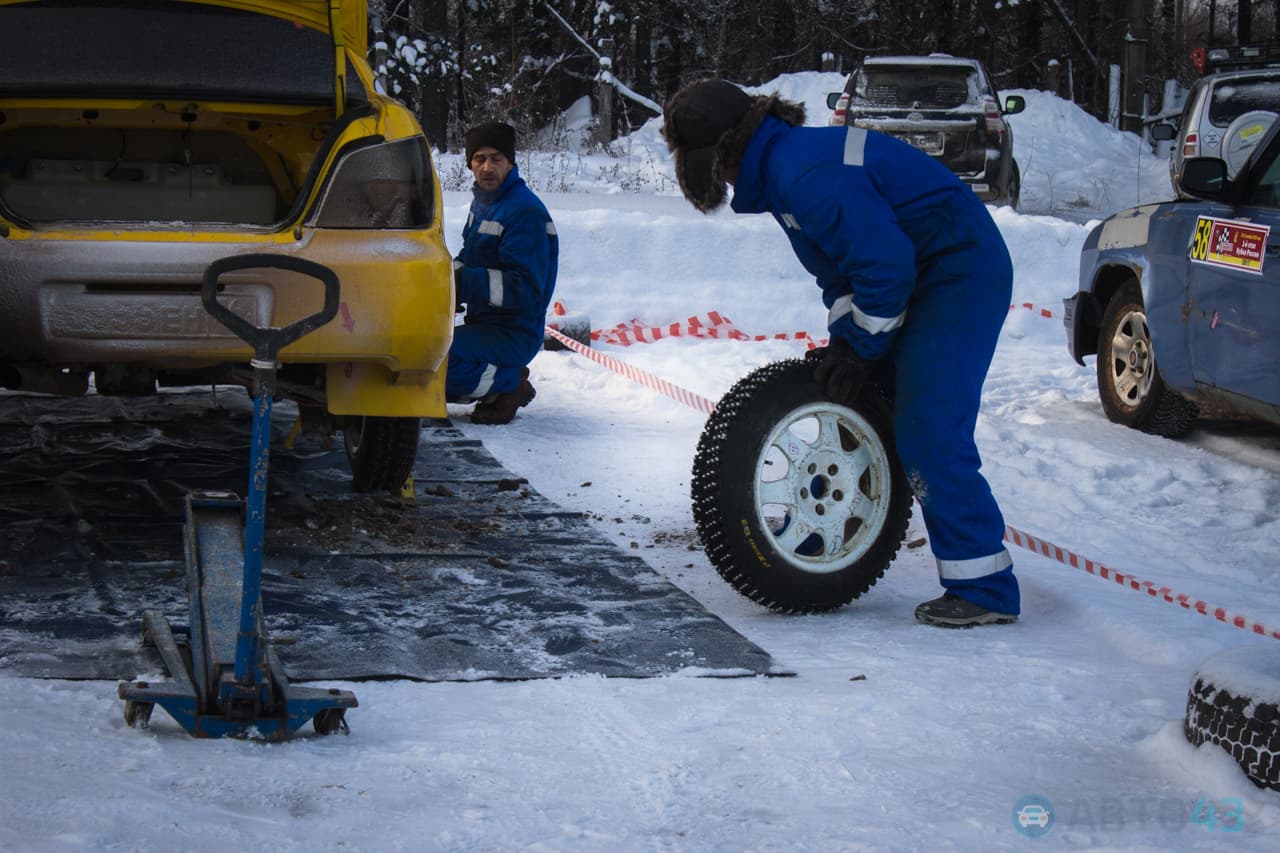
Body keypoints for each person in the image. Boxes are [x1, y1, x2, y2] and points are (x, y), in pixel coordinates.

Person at [662, 79, 1019, 628]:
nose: (724, 182)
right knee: (879, 400)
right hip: (917, 272)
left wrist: (863, 349)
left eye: (716, 168)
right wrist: (849, 348)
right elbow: (843, 277)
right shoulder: (784, 172)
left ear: (729, 152)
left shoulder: (801, 176)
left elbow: (885, 267)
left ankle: (986, 587)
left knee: (927, 424)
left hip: (958, 271)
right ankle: (886, 531)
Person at [448, 121, 558, 424]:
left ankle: (509, 384)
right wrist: (440, 281)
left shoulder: (523, 212)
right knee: (419, 351)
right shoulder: (484, 204)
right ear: (470, 163)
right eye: (479, 159)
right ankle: (498, 374)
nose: (487, 167)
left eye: (496, 158)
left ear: (510, 162)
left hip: (514, 333)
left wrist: (462, 283)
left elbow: (523, 288)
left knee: (434, 365)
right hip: (486, 326)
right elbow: (469, 258)